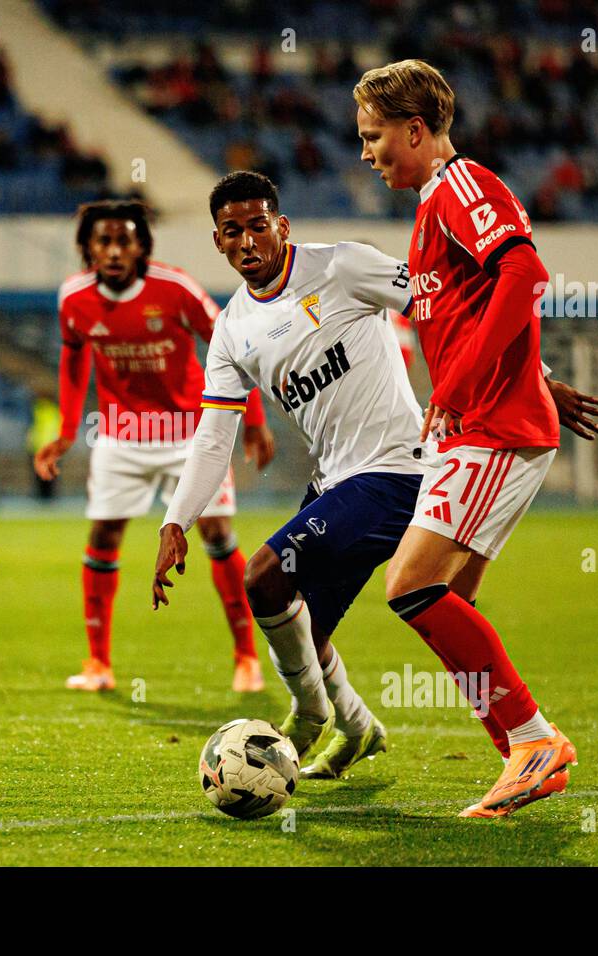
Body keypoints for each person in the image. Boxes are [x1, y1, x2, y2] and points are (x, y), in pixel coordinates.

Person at [355, 59, 598, 815]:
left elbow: (525, 273)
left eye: (374, 138)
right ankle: (523, 753)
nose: (366, 153)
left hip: (491, 427)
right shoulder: (433, 205)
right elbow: (481, 309)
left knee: (410, 585)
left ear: (416, 130)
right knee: (449, 599)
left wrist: (463, 388)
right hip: (489, 417)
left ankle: (532, 742)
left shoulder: (462, 187)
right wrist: (541, 375)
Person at [152, 172, 421, 778]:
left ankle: (306, 715)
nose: (248, 241)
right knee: (304, 630)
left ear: (282, 226)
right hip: (335, 483)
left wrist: (524, 379)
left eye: (257, 225)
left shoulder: (343, 266)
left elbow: (440, 307)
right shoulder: (230, 330)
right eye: (232, 232)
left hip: (398, 470)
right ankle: (357, 729)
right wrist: (176, 519)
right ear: (218, 243)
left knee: (264, 576)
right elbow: (216, 434)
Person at [36, 200, 277, 693]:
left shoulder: (174, 288)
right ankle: (97, 664)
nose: (115, 250)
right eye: (104, 241)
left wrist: (253, 420)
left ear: (142, 246)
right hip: (121, 436)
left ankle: (246, 658)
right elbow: (73, 356)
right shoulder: (74, 298)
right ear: (88, 249)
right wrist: (64, 430)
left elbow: (229, 341)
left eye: (125, 240)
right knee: (103, 537)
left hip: (191, 434)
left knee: (215, 533)